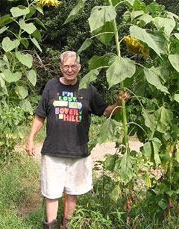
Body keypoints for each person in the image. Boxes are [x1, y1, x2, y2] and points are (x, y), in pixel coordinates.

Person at [25, 51, 128, 229]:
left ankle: (67, 225)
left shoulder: (87, 88)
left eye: (73, 66)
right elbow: (40, 116)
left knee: (72, 193)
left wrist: (119, 104)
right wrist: (30, 138)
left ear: (79, 67)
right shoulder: (51, 86)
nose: (70, 69)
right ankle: (51, 226)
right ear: (60, 67)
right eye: (66, 66)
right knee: (51, 192)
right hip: (53, 151)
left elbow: (105, 111)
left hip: (78, 152)